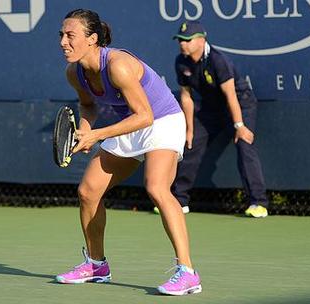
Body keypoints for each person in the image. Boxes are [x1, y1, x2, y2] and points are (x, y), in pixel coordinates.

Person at [55, 9, 202, 296]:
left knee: (157, 187)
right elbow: (88, 105)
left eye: (70, 35)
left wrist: (96, 135)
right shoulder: (75, 72)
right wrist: (85, 130)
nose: (63, 41)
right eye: (61, 35)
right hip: (130, 123)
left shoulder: (118, 65)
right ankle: (96, 265)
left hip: (161, 119)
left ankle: (187, 272)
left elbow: (145, 116)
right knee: (88, 191)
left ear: (92, 38)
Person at [170, 21, 269, 218]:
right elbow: (186, 97)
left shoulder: (218, 60)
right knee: (190, 143)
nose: (183, 44)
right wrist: (189, 129)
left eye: (187, 40)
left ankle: (258, 203)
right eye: (180, 40)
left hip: (240, 104)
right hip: (212, 108)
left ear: (201, 40)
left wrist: (239, 126)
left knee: (244, 143)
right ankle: (179, 201)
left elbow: (231, 95)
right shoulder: (181, 62)